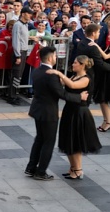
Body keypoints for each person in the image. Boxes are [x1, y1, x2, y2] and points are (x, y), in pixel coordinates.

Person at [26, 46, 87, 181]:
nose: (56, 58)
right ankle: (41, 172)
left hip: (37, 109)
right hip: (48, 112)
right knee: (48, 141)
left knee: (40, 139)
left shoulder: (37, 70)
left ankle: (31, 167)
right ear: (49, 58)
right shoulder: (51, 74)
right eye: (54, 56)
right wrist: (79, 97)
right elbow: (61, 94)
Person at [47, 56, 102, 180]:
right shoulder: (73, 75)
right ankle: (73, 167)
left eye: (75, 62)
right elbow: (65, 83)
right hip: (70, 111)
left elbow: (72, 85)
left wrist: (58, 73)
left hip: (79, 113)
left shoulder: (86, 79)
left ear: (82, 65)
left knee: (75, 142)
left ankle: (78, 169)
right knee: (68, 140)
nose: (73, 64)